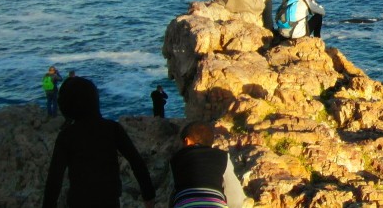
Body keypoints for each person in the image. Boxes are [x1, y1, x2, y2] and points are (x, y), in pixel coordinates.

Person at [42, 77, 156, 208]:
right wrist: (149, 195)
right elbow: (137, 162)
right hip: (109, 201)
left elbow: (54, 180)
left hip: (79, 201)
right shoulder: (112, 129)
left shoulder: (66, 136)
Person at [169, 121, 246, 208]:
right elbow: (235, 195)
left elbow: (172, 193)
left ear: (187, 141)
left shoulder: (176, 159)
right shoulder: (222, 157)